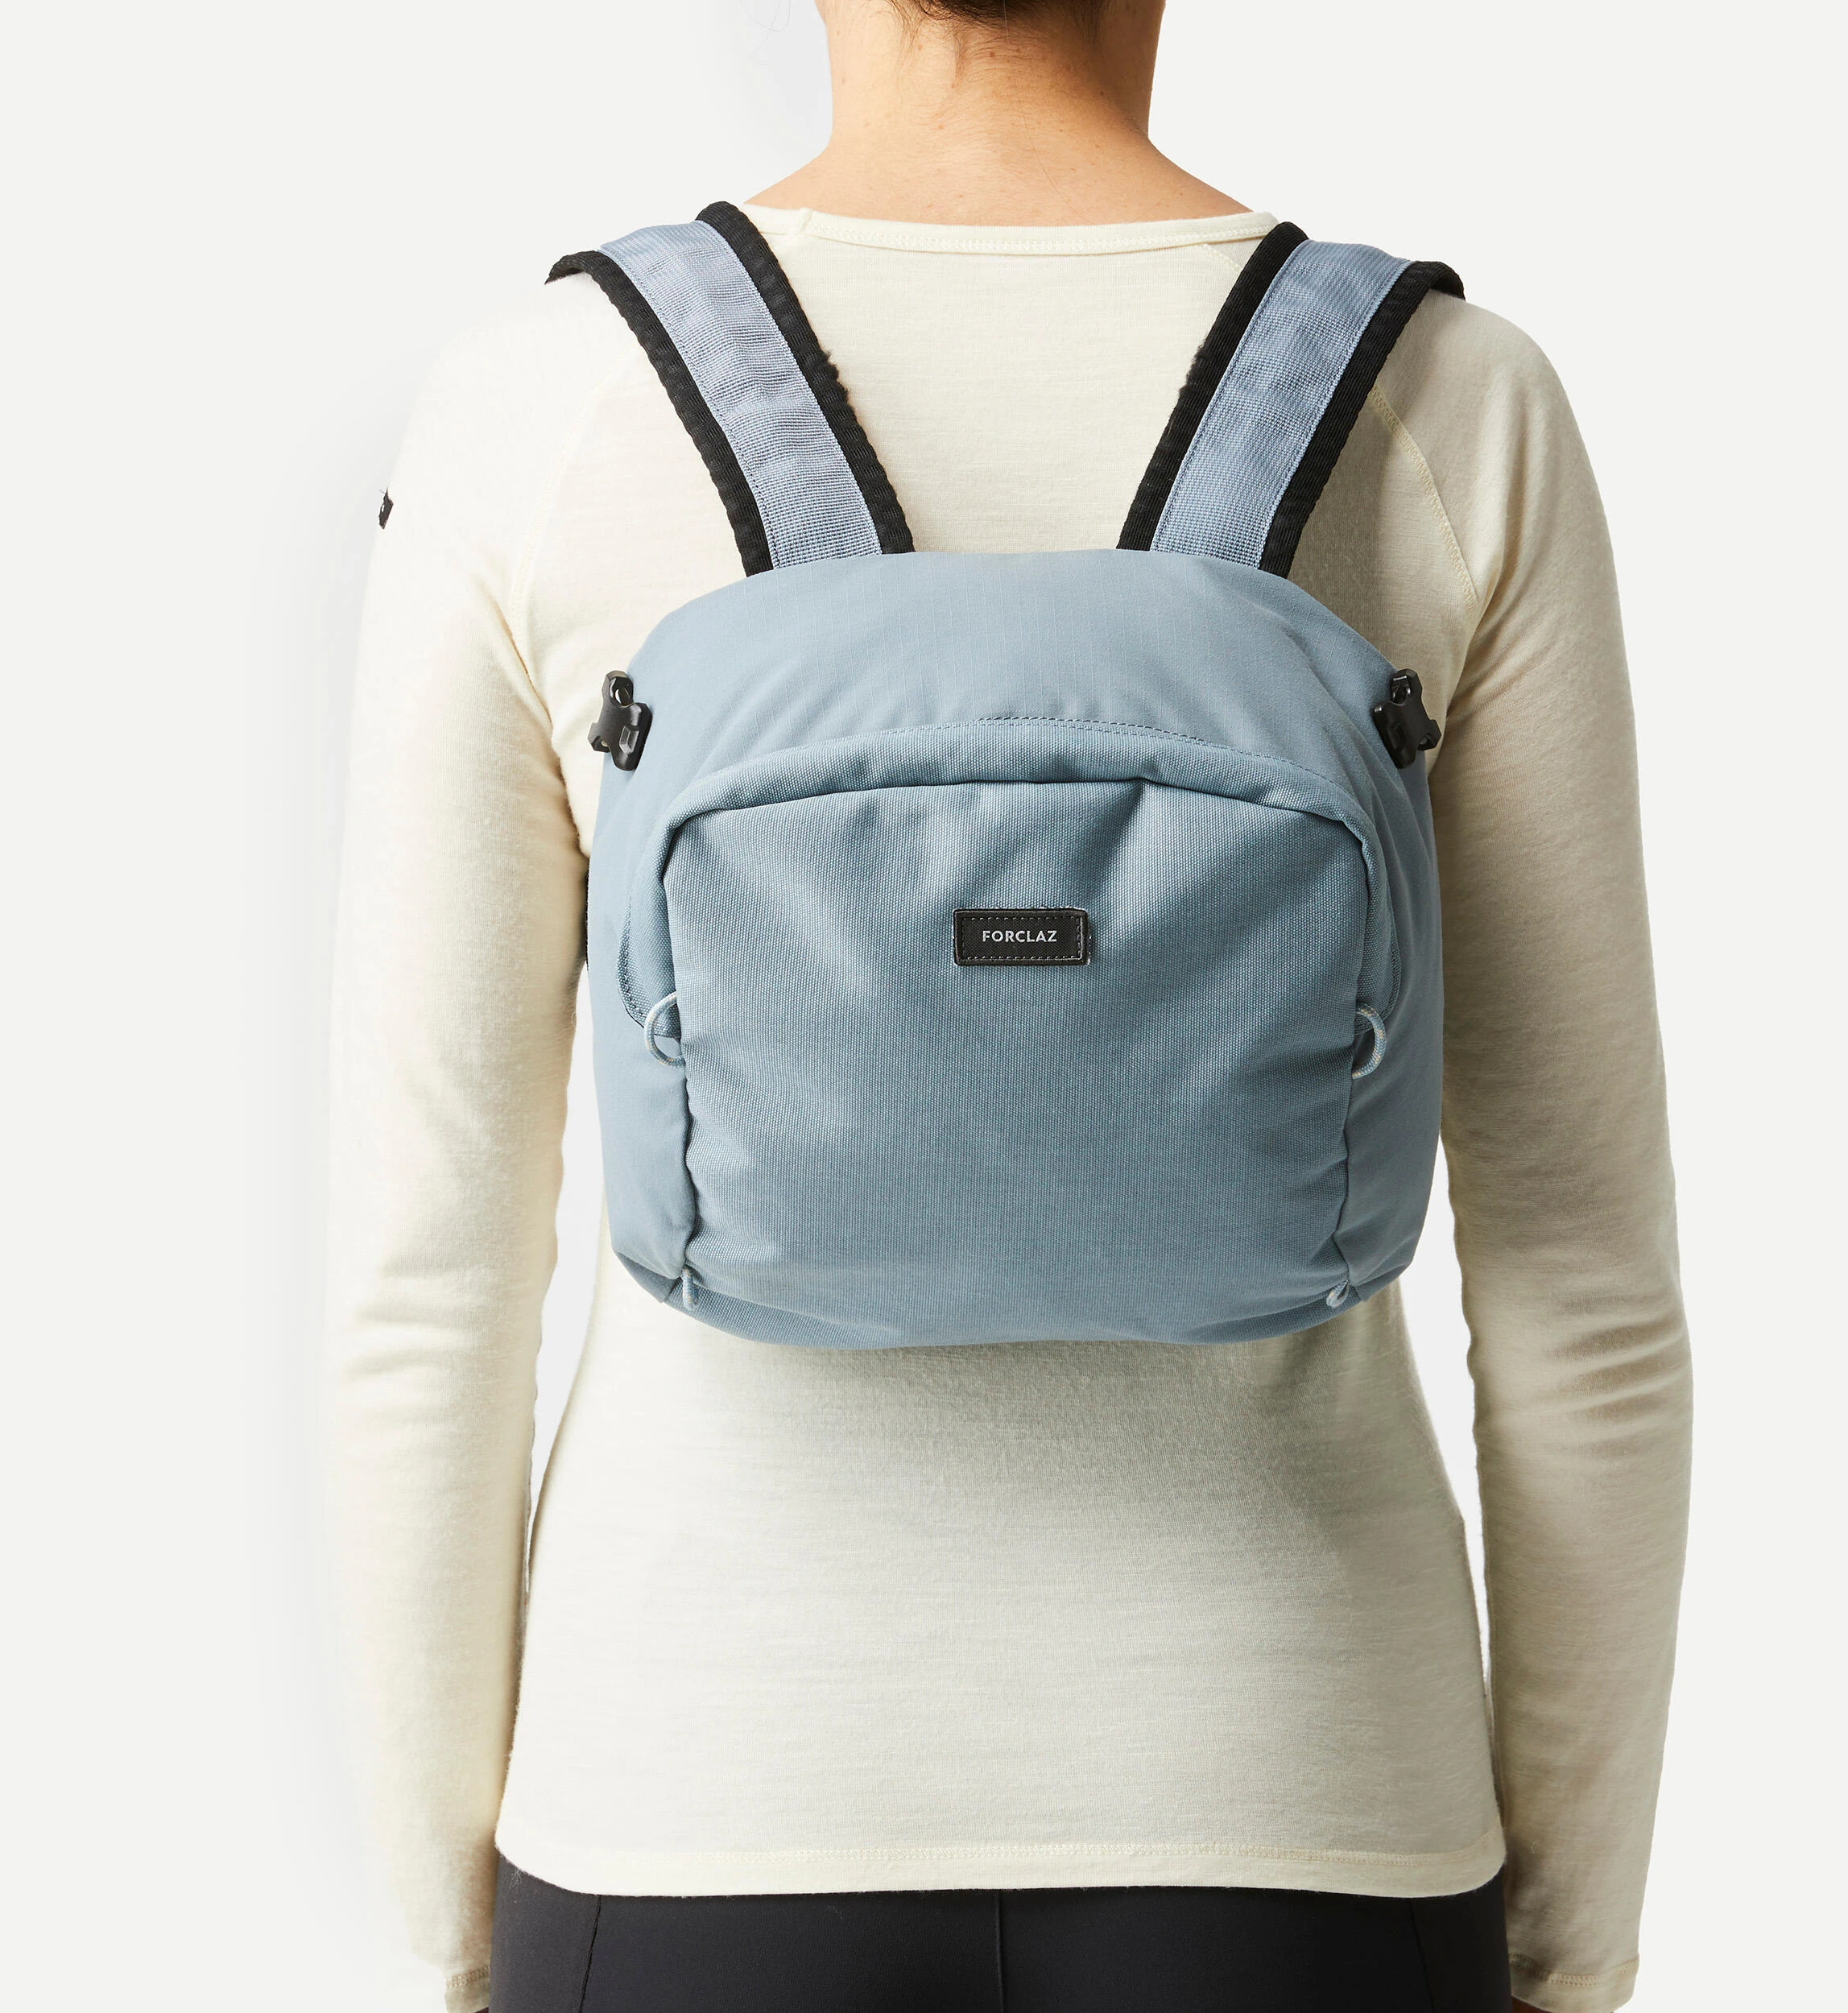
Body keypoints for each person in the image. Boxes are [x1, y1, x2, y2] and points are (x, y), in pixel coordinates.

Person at [325, 2, 1691, 2009]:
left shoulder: (544, 405)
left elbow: (427, 1279)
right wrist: (1563, 1952)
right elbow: (1582, 1285)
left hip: (691, 1807)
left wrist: (460, 1938)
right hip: (1302, 1800)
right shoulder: (1448, 402)